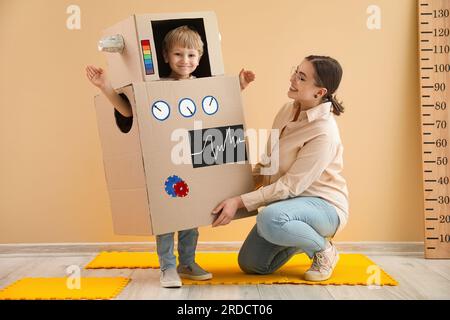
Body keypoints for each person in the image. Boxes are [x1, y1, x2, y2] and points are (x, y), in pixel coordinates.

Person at [86, 25, 255, 288]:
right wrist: (105, 86)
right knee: (167, 217)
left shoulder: (203, 85)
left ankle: (186, 261)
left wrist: (240, 84)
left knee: (190, 217)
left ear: (199, 58)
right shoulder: (155, 87)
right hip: (165, 162)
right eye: (178, 54)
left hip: (193, 161)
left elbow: (221, 103)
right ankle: (167, 266)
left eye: (191, 55)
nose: (184, 61)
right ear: (165, 56)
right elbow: (128, 111)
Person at [212, 55, 349, 282]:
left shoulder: (324, 132)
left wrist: (239, 202)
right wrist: (232, 191)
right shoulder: (287, 110)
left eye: (302, 78)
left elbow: (290, 186)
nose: (293, 79)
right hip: (288, 206)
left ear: (319, 92)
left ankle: (323, 249)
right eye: (296, 72)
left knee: (269, 219)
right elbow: (267, 165)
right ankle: (301, 237)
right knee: (252, 264)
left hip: (324, 206)